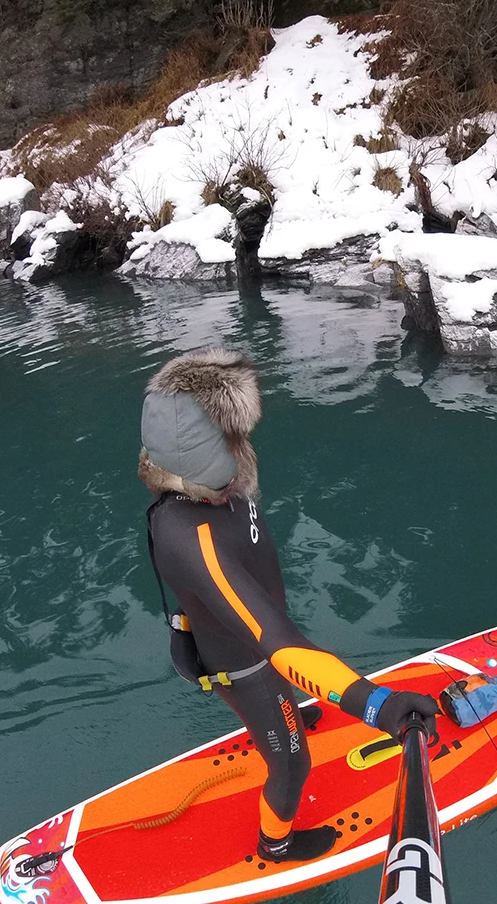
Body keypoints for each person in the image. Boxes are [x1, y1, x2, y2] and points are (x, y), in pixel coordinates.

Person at [138, 347, 438, 864]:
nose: (243, 447)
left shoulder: (222, 486)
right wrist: (377, 703)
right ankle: (275, 843)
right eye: (233, 439)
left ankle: (288, 713)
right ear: (204, 455)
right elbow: (278, 643)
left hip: (252, 629)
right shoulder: (195, 536)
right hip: (248, 661)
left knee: (285, 687)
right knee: (292, 765)